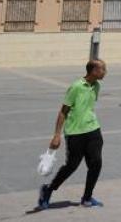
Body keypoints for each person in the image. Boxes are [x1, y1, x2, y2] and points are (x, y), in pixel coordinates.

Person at [38, 59, 107, 210]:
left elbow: (88, 108)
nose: (105, 72)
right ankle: (48, 190)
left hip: (93, 130)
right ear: (93, 71)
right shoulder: (76, 87)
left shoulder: (97, 86)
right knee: (71, 166)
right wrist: (57, 135)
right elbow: (63, 111)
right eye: (102, 69)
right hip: (75, 133)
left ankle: (87, 198)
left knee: (96, 164)